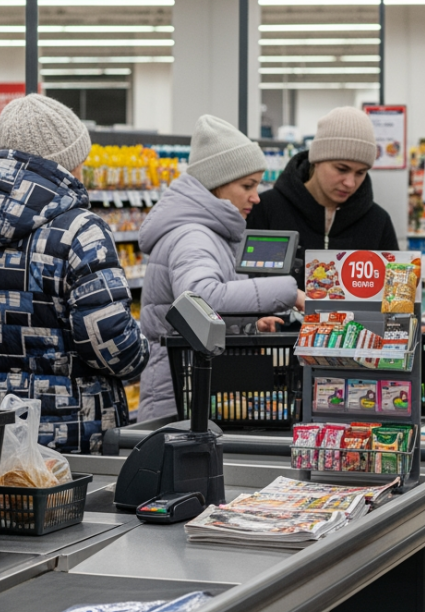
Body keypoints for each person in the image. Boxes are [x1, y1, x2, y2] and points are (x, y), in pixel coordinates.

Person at [0, 94, 148, 453]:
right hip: (69, 431)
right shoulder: (80, 231)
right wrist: (141, 346)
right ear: (65, 162)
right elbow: (111, 346)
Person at [138, 114, 304, 421]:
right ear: (216, 184)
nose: (256, 196)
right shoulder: (192, 234)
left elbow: (207, 318)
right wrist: (288, 291)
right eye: (247, 185)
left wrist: (249, 325)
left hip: (195, 392)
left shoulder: (213, 232)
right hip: (178, 401)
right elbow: (201, 299)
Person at [247, 106, 399, 289]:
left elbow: (394, 295)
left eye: (361, 173)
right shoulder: (266, 210)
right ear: (317, 160)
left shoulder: (378, 222)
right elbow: (249, 285)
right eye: (341, 169)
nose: (350, 182)